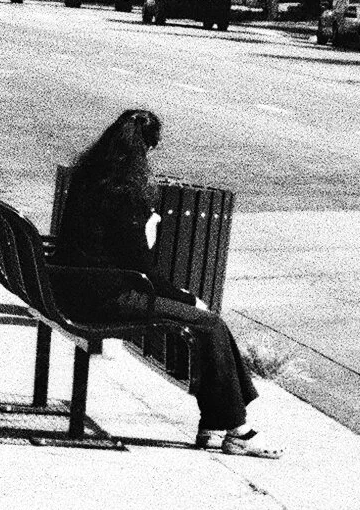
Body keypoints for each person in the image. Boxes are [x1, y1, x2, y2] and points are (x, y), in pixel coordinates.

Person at [52, 108, 274, 456]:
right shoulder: (125, 193)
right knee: (209, 323)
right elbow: (141, 270)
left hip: (73, 288)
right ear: (147, 149)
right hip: (103, 297)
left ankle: (215, 424)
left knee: (206, 324)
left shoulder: (88, 177)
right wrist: (184, 292)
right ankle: (237, 429)